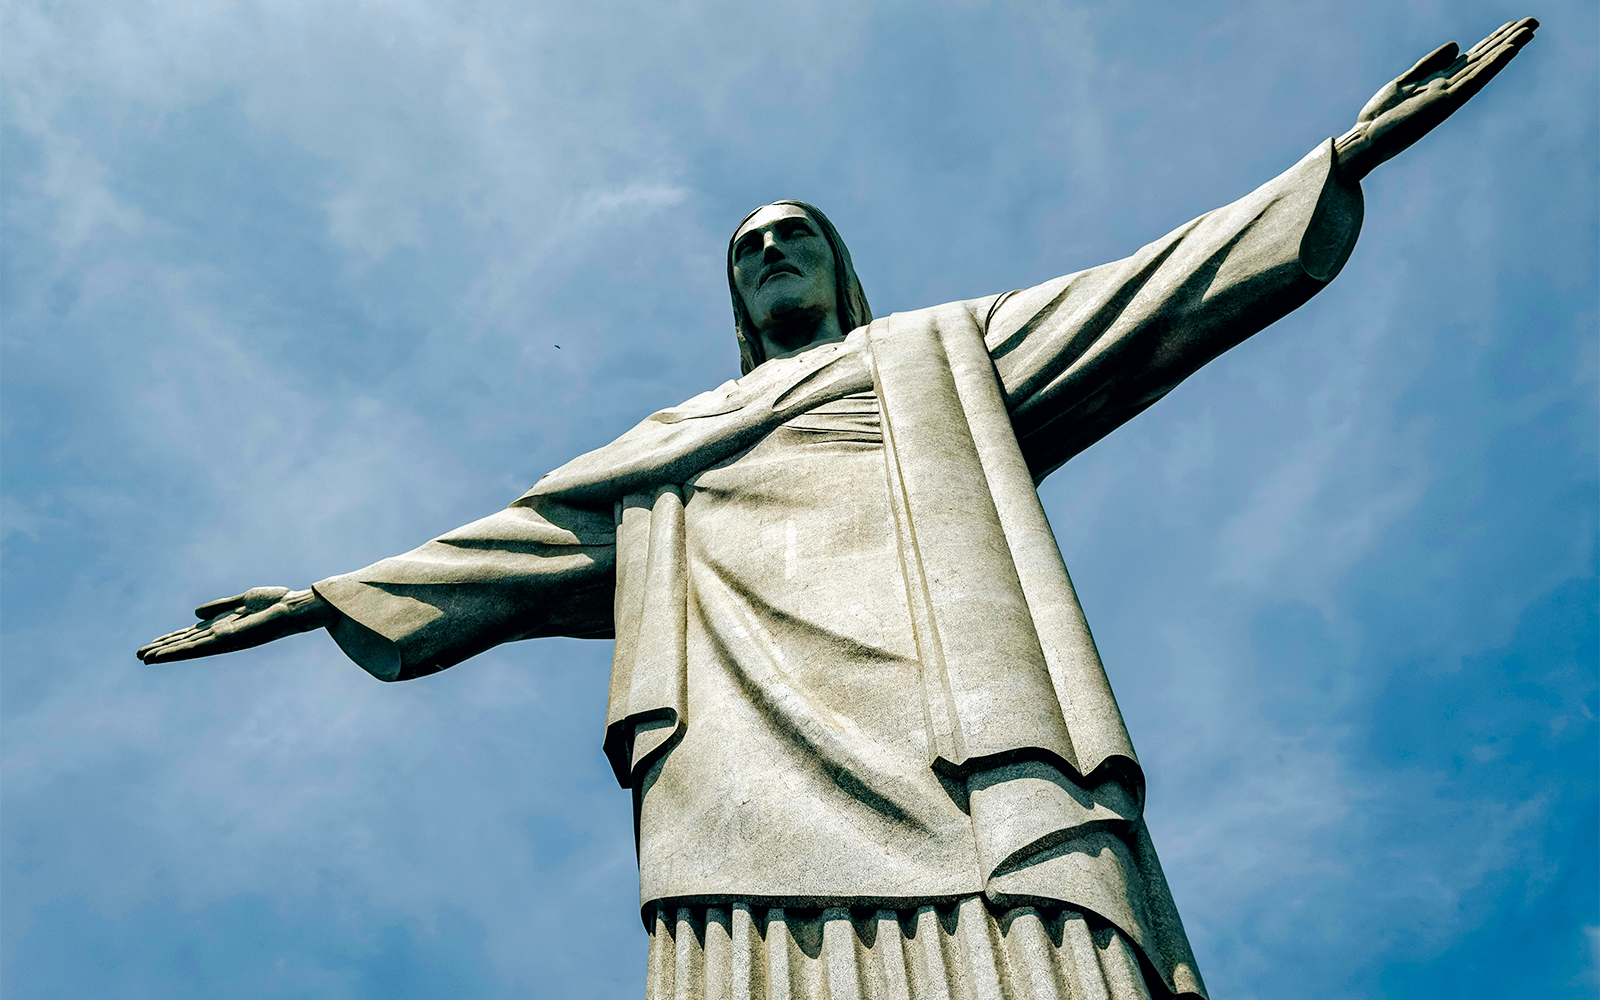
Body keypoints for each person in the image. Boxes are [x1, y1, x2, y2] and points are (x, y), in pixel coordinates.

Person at [139, 21, 1537, 1000]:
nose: (767, 256)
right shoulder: (671, 446)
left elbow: (1144, 293)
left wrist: (1338, 161)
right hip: (744, 764)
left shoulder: (937, 358)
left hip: (959, 725)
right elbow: (502, 551)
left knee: (1050, 935)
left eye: (790, 235)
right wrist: (323, 596)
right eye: (744, 252)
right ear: (732, 297)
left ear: (838, 264)